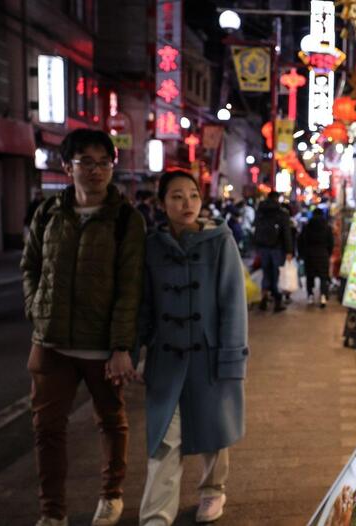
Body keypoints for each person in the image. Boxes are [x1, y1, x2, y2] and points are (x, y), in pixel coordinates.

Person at [21, 129, 146, 526]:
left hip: (101, 346)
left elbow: (131, 287)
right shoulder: (48, 212)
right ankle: (52, 512)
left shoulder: (127, 219)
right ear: (67, 166)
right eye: (86, 162)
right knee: (46, 430)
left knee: (111, 421)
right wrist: (36, 309)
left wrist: (122, 346)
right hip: (51, 343)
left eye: (104, 162)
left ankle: (111, 495)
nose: (96, 170)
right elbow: (31, 267)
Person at [136, 170, 248, 525]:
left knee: (214, 430)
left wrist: (231, 357)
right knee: (164, 437)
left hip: (209, 352)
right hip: (166, 356)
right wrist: (137, 348)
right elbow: (144, 304)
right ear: (162, 203)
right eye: (177, 196)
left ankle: (213, 490)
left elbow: (233, 303)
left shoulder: (220, 241)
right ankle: (156, 514)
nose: (187, 204)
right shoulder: (151, 246)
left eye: (193, 196)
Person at [252, 191, 293, 312]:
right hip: (277, 248)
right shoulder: (282, 213)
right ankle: (277, 302)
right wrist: (289, 250)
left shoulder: (260, 212)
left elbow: (255, 228)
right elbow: (286, 233)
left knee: (266, 272)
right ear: (277, 199)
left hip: (263, 247)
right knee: (276, 275)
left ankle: (264, 298)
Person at [297, 213, 335, 308]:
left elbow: (301, 241)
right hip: (323, 254)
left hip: (309, 255)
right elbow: (331, 242)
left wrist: (302, 254)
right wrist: (328, 253)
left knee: (310, 276)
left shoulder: (307, 227)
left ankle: (310, 295)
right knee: (323, 277)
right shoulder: (327, 227)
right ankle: (323, 297)